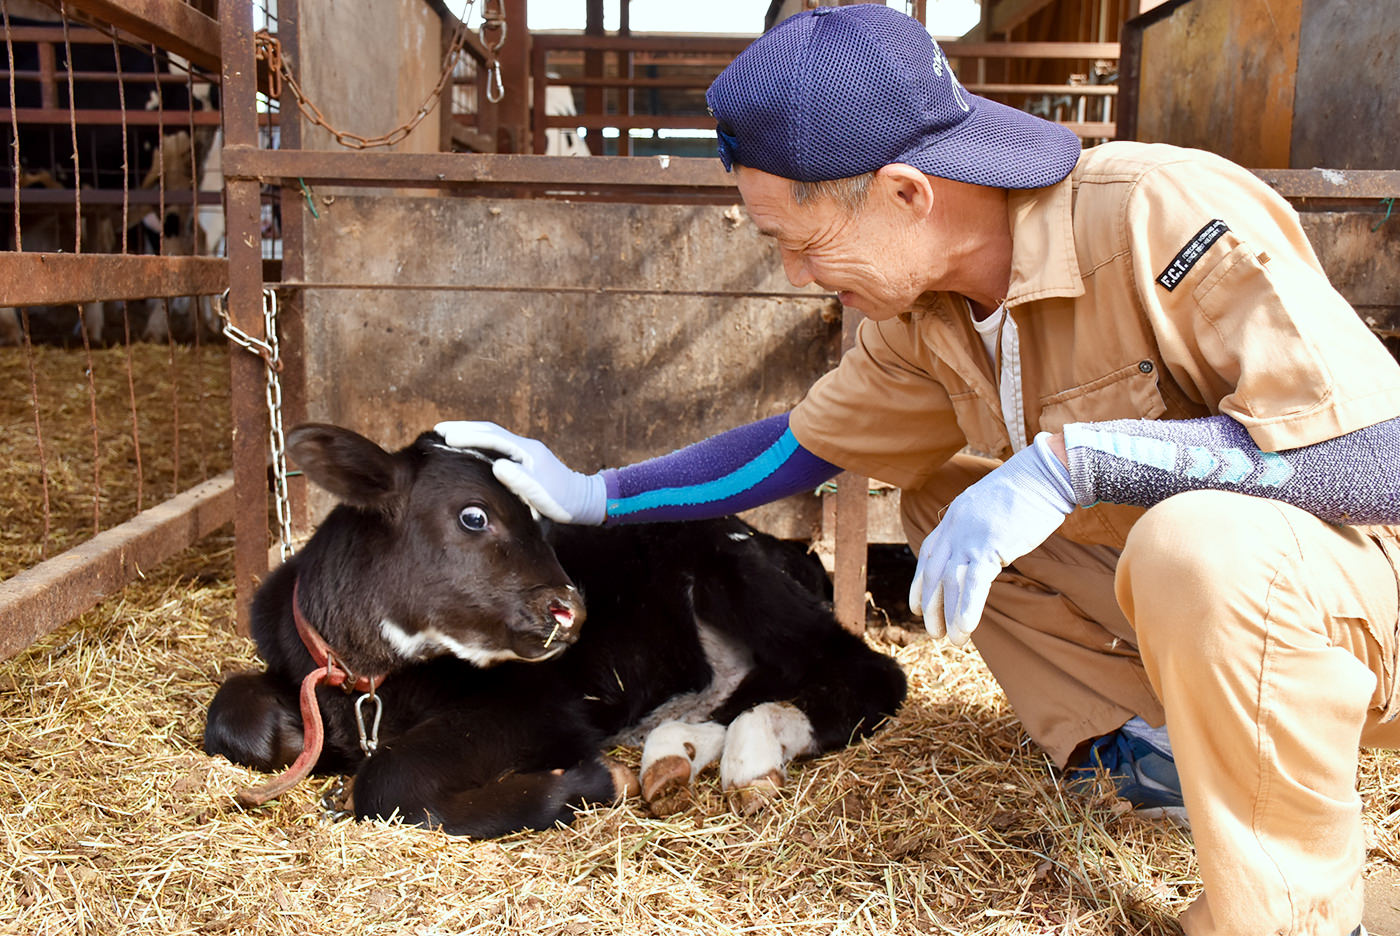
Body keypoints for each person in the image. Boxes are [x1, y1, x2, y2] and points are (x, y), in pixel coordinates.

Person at [435, 5, 1400, 934]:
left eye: (798, 243)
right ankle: (1146, 756)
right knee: (947, 493)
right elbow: (801, 444)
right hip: (1222, 623)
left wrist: (1077, 463)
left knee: (1194, 540)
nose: (796, 275)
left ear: (905, 192)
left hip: (1362, 618)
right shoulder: (930, 314)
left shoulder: (1159, 211)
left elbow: (1381, 461)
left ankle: (1292, 919)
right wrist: (598, 495)